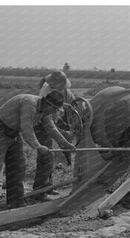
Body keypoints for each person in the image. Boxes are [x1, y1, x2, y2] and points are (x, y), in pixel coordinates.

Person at [0, 90, 76, 216]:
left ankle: (15, 202)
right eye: (54, 109)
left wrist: (66, 144)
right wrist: (38, 147)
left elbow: (51, 128)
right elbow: (27, 129)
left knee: (18, 166)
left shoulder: (44, 111)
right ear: (49, 104)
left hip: (13, 133)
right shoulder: (29, 104)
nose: (54, 113)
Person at [33, 70, 76, 199]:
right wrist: (66, 141)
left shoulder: (55, 89)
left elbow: (54, 103)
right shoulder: (46, 90)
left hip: (48, 122)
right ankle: (39, 191)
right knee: (45, 157)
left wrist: (66, 105)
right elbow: (48, 107)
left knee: (50, 157)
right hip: (41, 124)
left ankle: (48, 186)